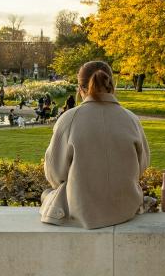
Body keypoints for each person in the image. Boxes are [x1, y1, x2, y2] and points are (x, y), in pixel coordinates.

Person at [40, 61, 150, 230]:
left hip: (83, 210)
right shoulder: (131, 119)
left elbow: (55, 173)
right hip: (126, 206)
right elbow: (142, 166)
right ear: (111, 84)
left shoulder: (69, 119)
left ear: (80, 88)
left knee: (47, 196)